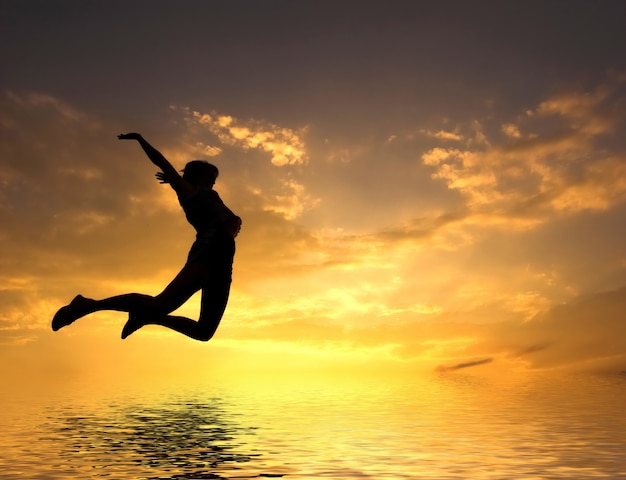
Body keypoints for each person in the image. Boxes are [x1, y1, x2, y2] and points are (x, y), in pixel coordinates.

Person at [51, 133, 242, 341]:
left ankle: (148, 318)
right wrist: (140, 139)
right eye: (209, 177)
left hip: (224, 257)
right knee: (159, 304)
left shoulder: (207, 194)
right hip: (211, 249)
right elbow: (161, 160)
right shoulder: (189, 190)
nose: (212, 182)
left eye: (214, 179)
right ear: (195, 175)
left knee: (204, 332)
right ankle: (87, 305)